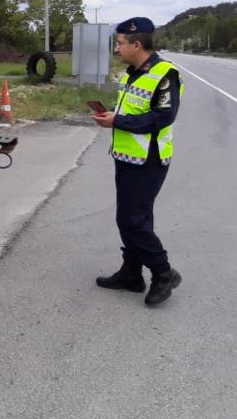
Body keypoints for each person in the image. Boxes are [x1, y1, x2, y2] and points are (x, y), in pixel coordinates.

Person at [92, 17, 184, 306]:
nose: (116, 48)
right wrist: (113, 116)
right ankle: (132, 273)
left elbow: (162, 117)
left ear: (137, 44)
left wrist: (117, 121)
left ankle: (163, 272)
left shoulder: (166, 74)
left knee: (131, 220)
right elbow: (133, 109)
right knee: (136, 219)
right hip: (126, 156)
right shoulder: (131, 73)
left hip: (150, 159)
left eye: (120, 43)